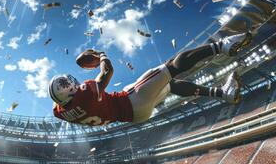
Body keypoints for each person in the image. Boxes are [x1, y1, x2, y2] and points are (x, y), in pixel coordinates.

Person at [48, 33, 252, 126]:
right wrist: (100, 54)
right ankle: (222, 46)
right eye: (70, 85)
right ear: (70, 92)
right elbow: (107, 71)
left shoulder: (61, 112)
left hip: (134, 116)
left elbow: (59, 102)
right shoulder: (82, 95)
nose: (74, 83)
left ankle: (222, 93)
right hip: (131, 99)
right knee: (171, 66)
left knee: (169, 85)